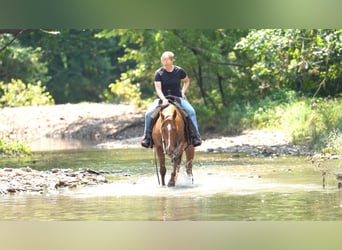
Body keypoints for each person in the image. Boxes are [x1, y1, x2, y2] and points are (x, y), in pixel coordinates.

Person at [141, 51, 202, 148]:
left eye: (167, 60)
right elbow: (158, 89)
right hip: (162, 98)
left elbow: (186, 81)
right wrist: (163, 99)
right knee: (148, 114)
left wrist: (183, 92)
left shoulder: (179, 71)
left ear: (172, 60)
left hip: (177, 97)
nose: (165, 62)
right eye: (163, 60)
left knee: (191, 112)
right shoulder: (159, 73)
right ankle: (147, 137)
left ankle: (195, 136)